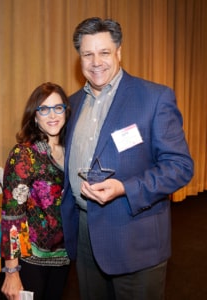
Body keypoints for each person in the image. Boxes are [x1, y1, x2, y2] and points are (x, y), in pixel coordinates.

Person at [60, 17, 194, 300]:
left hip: (135, 238)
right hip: (86, 237)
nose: (96, 62)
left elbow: (180, 167)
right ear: (79, 57)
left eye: (104, 52)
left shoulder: (154, 98)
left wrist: (124, 188)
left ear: (119, 52)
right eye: (88, 54)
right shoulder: (72, 104)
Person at [0, 82, 71, 300]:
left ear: (66, 111)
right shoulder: (24, 154)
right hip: (29, 258)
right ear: (34, 115)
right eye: (44, 109)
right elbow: (12, 215)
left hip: (64, 256)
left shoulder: (72, 151)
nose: (52, 115)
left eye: (58, 108)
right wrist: (12, 271)